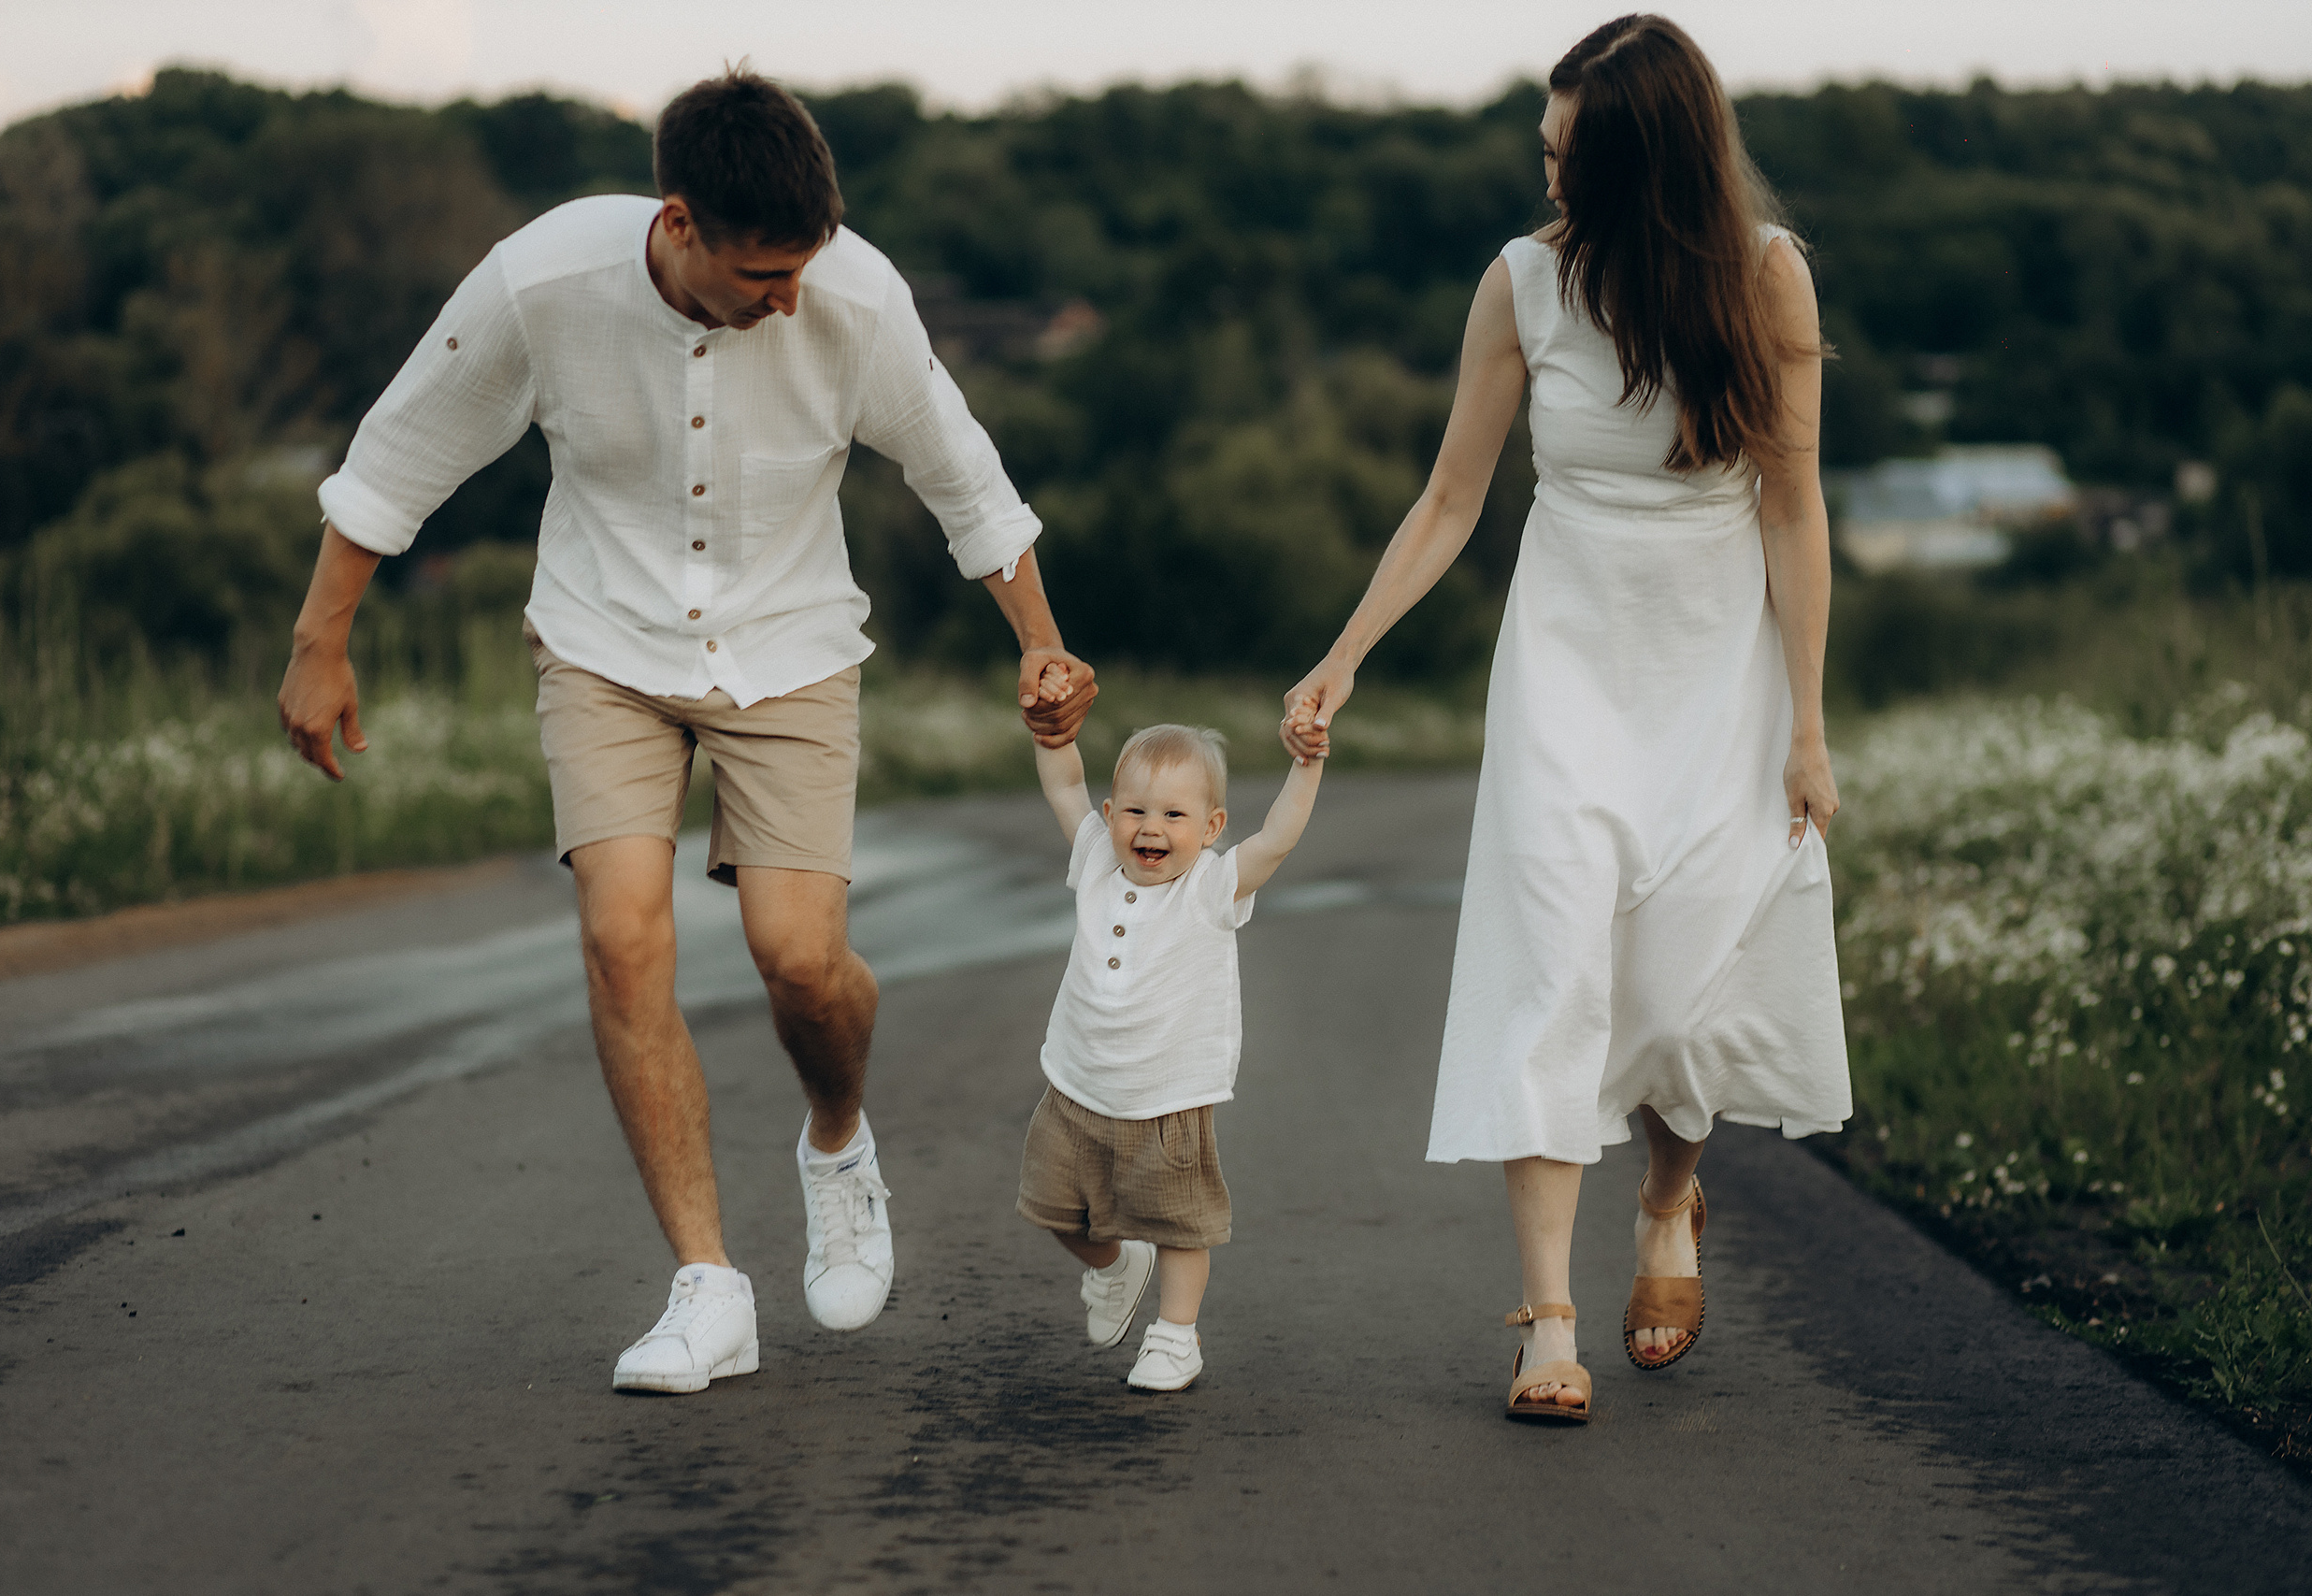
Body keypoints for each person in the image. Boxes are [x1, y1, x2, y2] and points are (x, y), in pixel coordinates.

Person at [276, 69, 1098, 1394]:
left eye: (801, 269)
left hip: (792, 651)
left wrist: (1042, 643)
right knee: (620, 931)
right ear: (678, 223)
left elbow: (967, 480)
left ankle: (837, 1139)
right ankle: (709, 1283)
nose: (787, 297)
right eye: (762, 272)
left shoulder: (856, 300)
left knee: (798, 958)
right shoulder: (540, 284)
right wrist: (322, 642)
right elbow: (398, 454)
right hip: (604, 641)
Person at [1282, 13, 1850, 1425]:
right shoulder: (1523, 287)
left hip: (1719, 671)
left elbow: (1792, 505)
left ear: (1645, 166)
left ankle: (1670, 1194)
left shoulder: (1769, 282)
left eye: (1569, 159)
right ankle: (1545, 1316)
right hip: (1565, 662)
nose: (1546, 183)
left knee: (1675, 991)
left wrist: (1810, 724)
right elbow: (1451, 496)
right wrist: (1346, 651)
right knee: (1551, 973)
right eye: (1544, 152)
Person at [1020, 709, 1323, 1390]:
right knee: (1052, 1207)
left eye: (1174, 815)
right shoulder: (1097, 857)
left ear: (1212, 828)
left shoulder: (1211, 887)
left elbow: (1276, 839)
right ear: (1110, 813)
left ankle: (1176, 1336)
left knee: (1181, 1225)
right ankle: (1113, 1264)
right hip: (1074, 1086)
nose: (1150, 827)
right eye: (1134, 810)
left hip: (1169, 1099)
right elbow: (1064, 788)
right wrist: (1054, 735)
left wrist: (1307, 764)